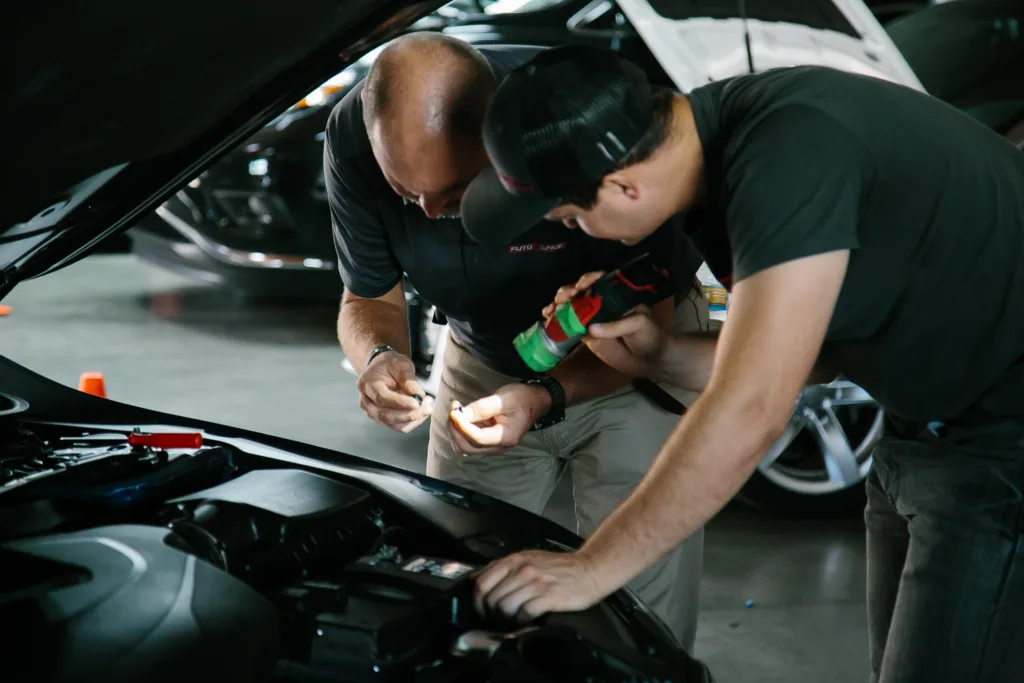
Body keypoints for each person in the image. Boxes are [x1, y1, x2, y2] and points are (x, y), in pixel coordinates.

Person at [460, 45, 1024, 683]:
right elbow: (807, 361)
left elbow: (753, 405)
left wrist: (593, 567)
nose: (582, 234)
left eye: (572, 215)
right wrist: (660, 355)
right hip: (924, 432)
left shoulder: (786, 155)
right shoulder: (715, 164)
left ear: (622, 184)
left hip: (1005, 439)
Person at [322, 33, 709, 648]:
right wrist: (377, 357)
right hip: (482, 365)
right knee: (461, 578)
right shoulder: (354, 136)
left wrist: (547, 395)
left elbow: (649, 331)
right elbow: (367, 294)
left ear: (502, 143)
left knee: (637, 608)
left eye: (451, 194)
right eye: (404, 193)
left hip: (629, 367)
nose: (424, 212)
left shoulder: (576, 117)